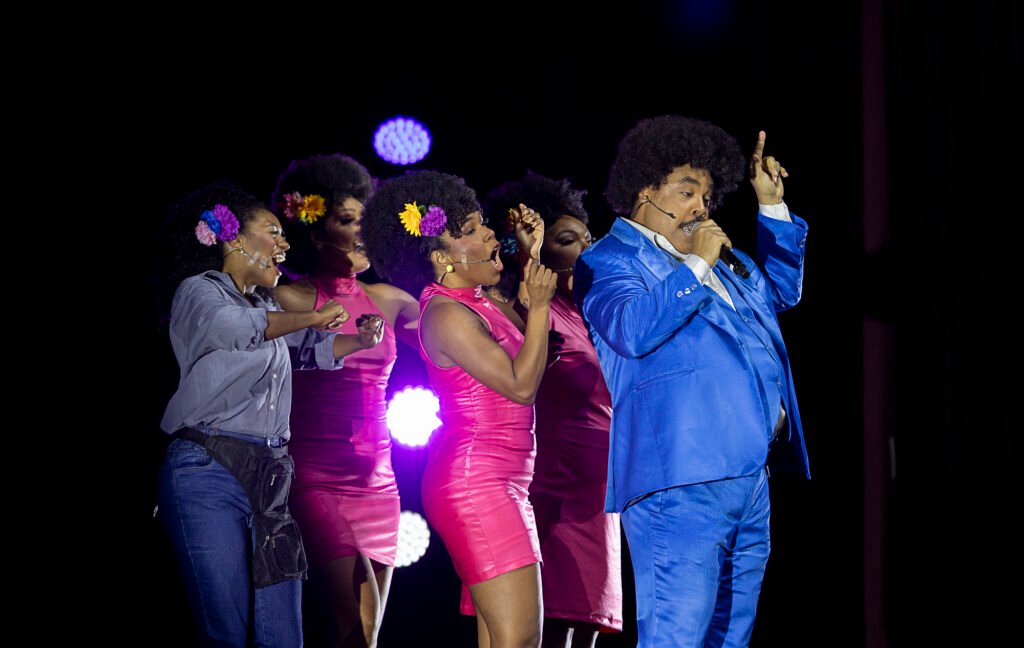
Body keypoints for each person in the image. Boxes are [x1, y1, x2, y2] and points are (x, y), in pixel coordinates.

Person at [573, 116, 811, 647]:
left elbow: (780, 295)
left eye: (706, 195)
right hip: (678, 479)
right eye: (686, 192)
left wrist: (770, 206)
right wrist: (697, 265)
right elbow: (631, 329)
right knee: (676, 637)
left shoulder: (724, 264)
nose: (701, 207)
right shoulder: (606, 261)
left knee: (730, 638)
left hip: (749, 475)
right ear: (645, 191)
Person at [154, 181, 364, 646]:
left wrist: (360, 340)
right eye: (272, 231)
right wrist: (311, 315)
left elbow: (306, 349)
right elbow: (236, 329)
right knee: (225, 629)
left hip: (270, 474)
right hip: (208, 468)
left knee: (284, 632)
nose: (283, 243)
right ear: (234, 240)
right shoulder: (198, 292)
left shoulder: (265, 304)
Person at [361, 170, 557, 648]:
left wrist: (531, 259)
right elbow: (521, 385)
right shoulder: (446, 313)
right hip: (478, 483)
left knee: (502, 641)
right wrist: (541, 307)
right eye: (470, 230)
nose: (491, 233)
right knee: (520, 640)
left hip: (502, 480)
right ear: (440, 258)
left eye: (482, 223)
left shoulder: (478, 302)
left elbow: (539, 351)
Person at [270, 153, 418, 647]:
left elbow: (459, 341)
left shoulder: (391, 300)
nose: (361, 232)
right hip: (318, 477)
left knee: (365, 634)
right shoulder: (293, 299)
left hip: (379, 480)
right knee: (357, 622)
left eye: (366, 221)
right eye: (347, 221)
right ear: (315, 233)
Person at [483, 172, 623, 647]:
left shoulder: (596, 313)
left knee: (588, 619)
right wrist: (529, 255)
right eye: (569, 241)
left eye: (589, 237)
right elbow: (521, 313)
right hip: (548, 487)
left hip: (599, 490)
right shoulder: (536, 309)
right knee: (543, 622)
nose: (587, 247)